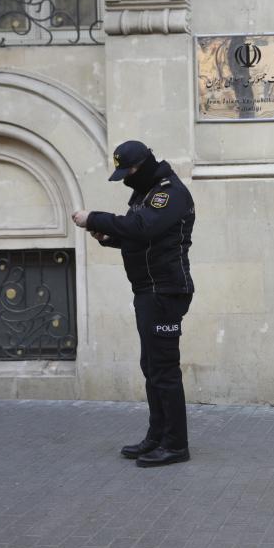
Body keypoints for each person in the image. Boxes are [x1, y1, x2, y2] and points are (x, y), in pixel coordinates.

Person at [71, 140, 196, 468]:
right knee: (152, 368)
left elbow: (144, 226)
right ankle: (157, 437)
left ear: (144, 165)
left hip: (166, 292)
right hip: (148, 291)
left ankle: (175, 444)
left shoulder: (168, 192)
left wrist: (94, 218)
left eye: (129, 172)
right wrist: (109, 237)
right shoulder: (144, 192)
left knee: (164, 371)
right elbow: (140, 237)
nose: (126, 178)